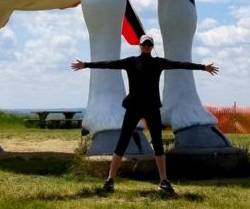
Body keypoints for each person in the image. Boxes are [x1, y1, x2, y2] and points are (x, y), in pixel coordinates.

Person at [71, 34, 219, 195]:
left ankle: (164, 181)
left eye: (149, 44)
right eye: (144, 44)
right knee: (122, 143)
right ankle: (109, 180)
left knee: (158, 144)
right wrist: (85, 64)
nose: (147, 46)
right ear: (140, 46)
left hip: (152, 108)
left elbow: (180, 64)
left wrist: (203, 67)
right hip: (133, 108)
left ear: (151, 46)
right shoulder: (131, 61)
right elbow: (108, 64)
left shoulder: (158, 63)